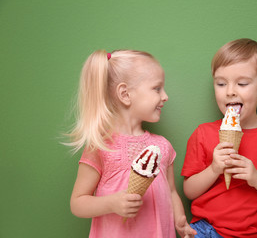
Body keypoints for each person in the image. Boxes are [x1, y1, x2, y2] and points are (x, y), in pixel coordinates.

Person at [67, 49, 196, 238]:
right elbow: (77, 203)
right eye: (157, 88)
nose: (165, 96)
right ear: (125, 94)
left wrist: (179, 220)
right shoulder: (100, 147)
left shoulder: (163, 146)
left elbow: (171, 191)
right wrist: (111, 203)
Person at [181, 38, 257, 238]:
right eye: (220, 83)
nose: (230, 91)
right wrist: (214, 169)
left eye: (242, 83)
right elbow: (189, 191)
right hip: (206, 230)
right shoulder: (202, 133)